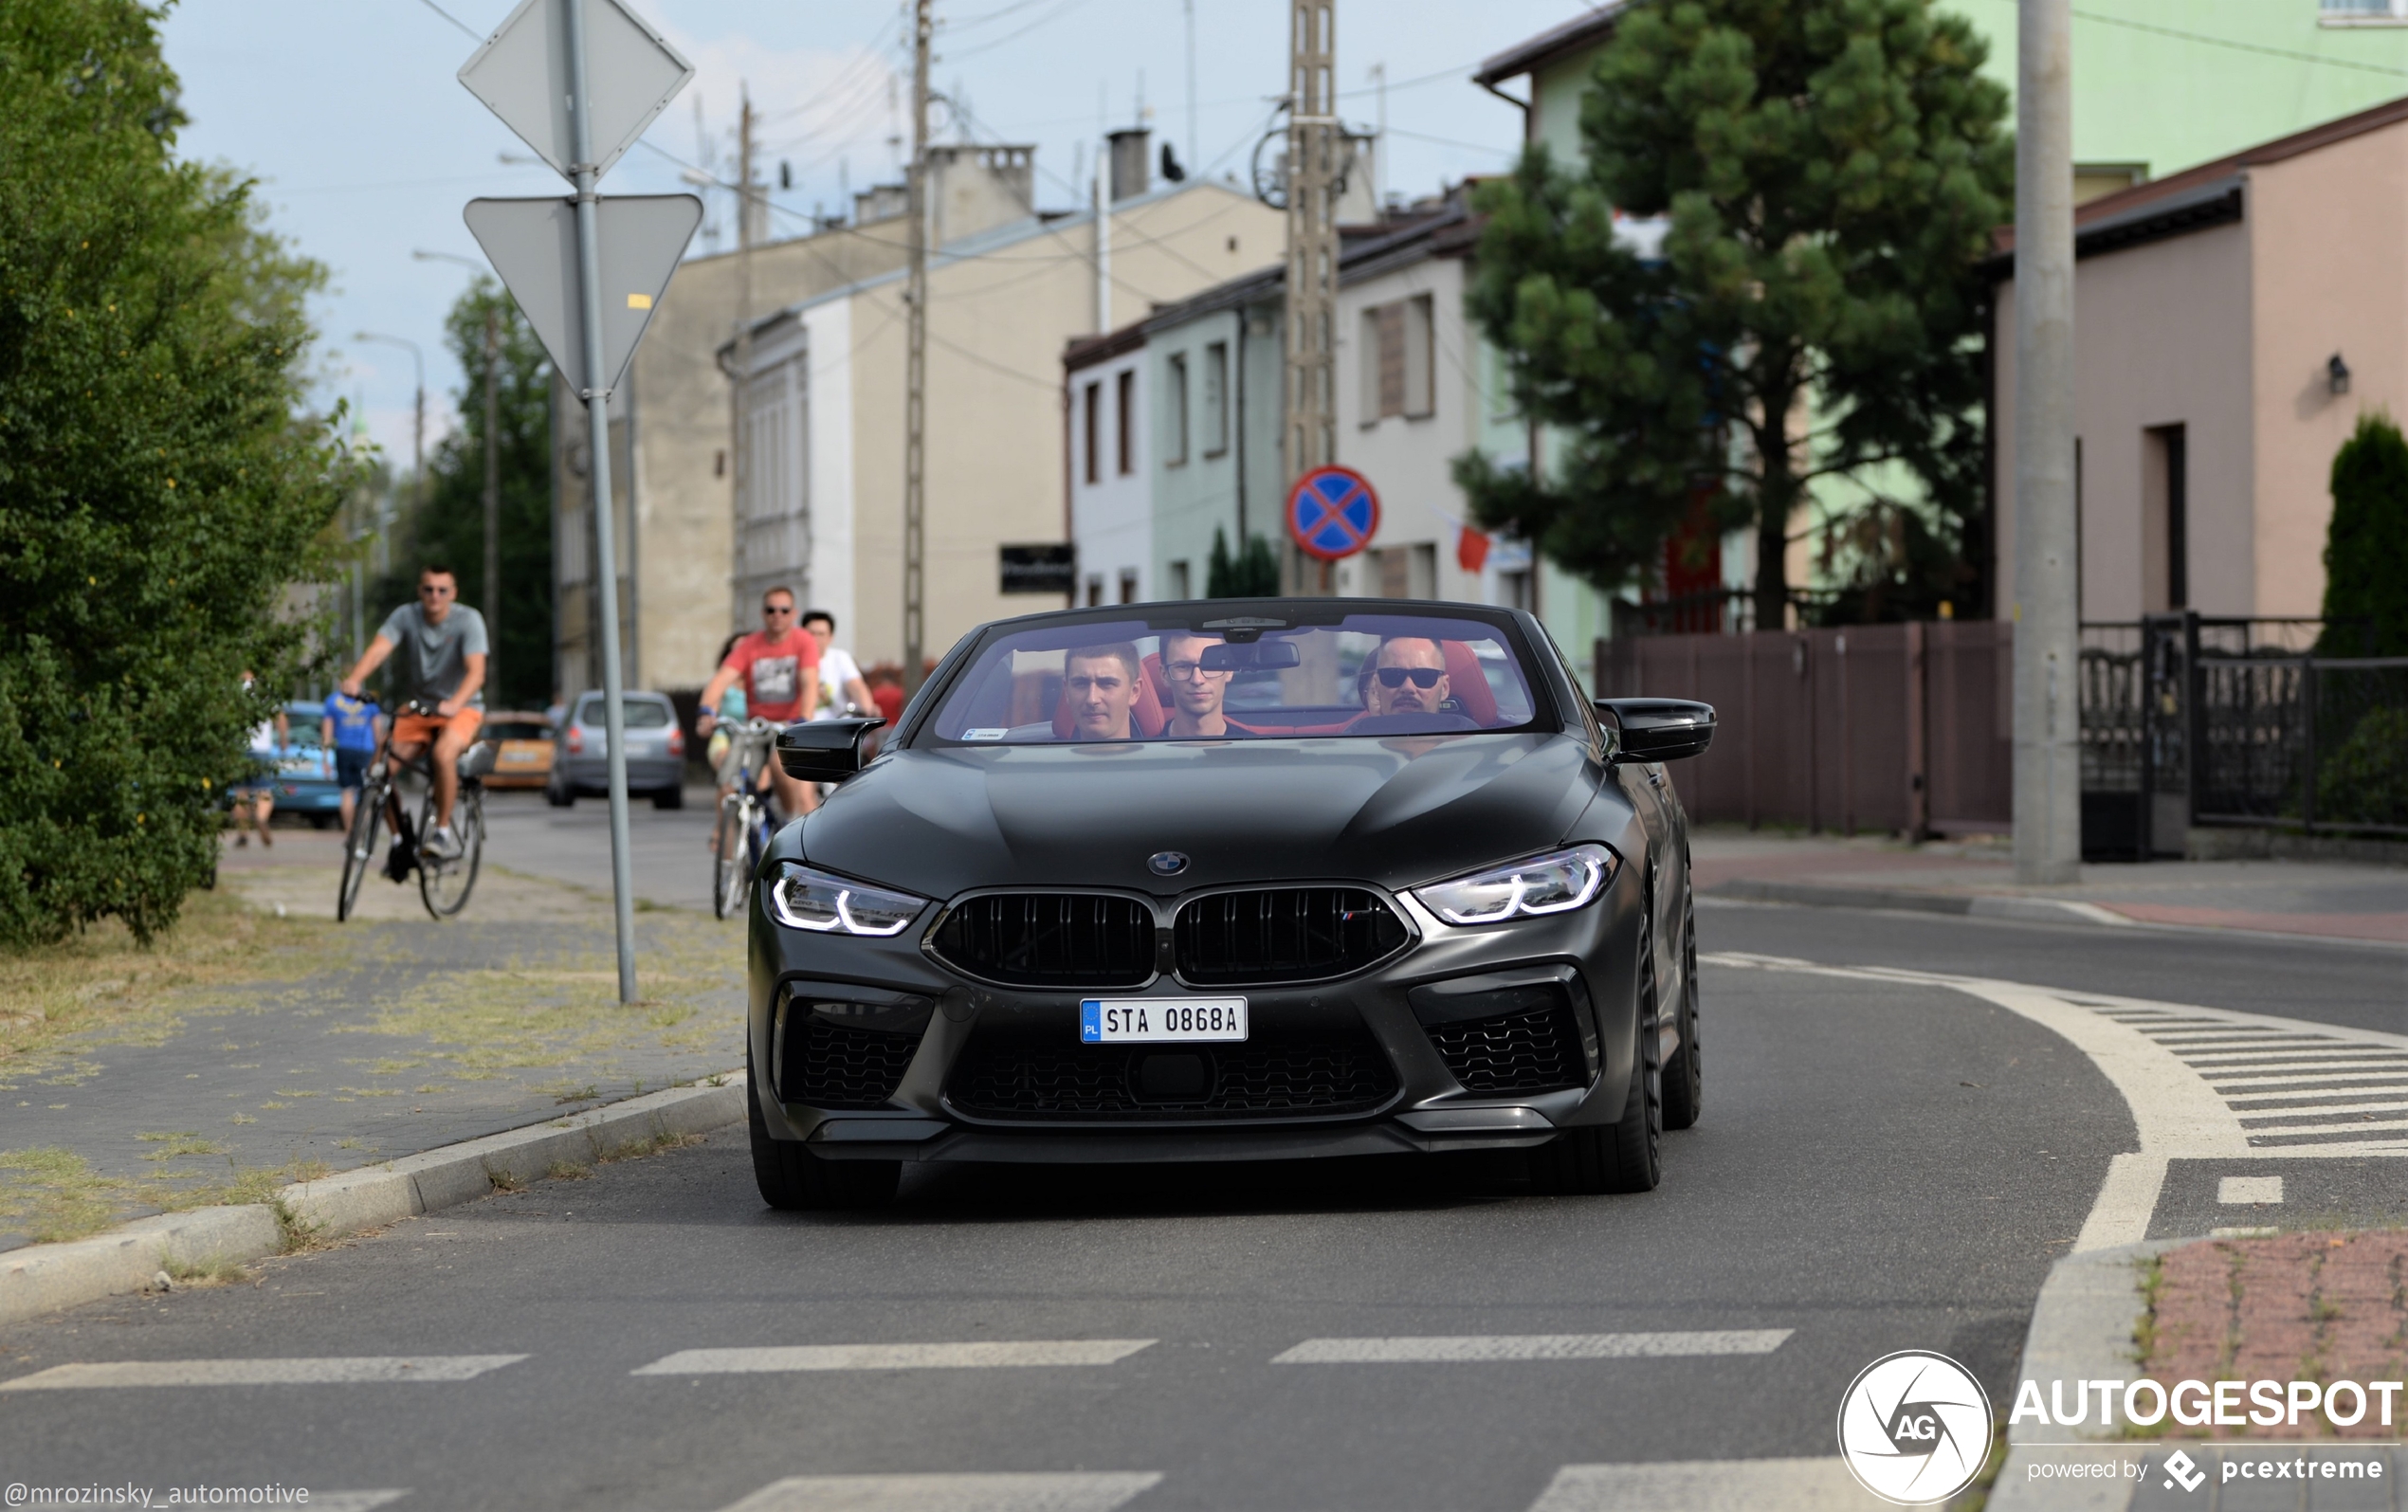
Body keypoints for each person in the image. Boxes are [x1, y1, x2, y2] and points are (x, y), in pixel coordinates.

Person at [339, 565, 488, 859]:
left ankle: (442, 834)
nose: (435, 596)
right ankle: (399, 841)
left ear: (453, 593)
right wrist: (356, 678)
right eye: (429, 589)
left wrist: (455, 702)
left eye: (442, 590)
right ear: (420, 591)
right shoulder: (406, 616)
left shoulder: (468, 620)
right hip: (421, 707)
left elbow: (476, 673)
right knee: (378, 769)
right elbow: (379, 649)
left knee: (443, 754)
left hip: (462, 708)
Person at [697, 586, 821, 819]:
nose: (777, 615)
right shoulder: (751, 644)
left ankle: (789, 818)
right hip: (756, 724)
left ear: (794, 614)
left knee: (779, 765)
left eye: (784, 610)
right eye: (771, 610)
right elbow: (721, 679)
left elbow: (809, 682)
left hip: (789, 723)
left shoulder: (803, 641)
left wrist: (804, 716)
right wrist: (706, 711)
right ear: (763, 614)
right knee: (728, 784)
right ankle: (727, 854)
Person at [230, 676, 285, 848]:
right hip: (261, 748)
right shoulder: (265, 688)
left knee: (241, 793)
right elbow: (280, 718)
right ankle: (261, 818)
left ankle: (243, 834)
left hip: (239, 748)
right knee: (264, 791)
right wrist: (283, 739)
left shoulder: (232, 687)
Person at [320, 686, 383, 834]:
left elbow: (327, 732)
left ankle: (349, 832)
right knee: (366, 793)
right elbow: (377, 730)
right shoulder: (369, 700)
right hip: (366, 751)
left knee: (347, 793)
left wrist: (325, 758)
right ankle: (361, 832)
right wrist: (379, 755)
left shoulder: (332, 701)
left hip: (343, 750)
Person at [801, 610, 877, 720]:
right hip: (803, 728)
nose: (815, 638)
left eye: (821, 634)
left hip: (837, 728)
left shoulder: (840, 658)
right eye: (811, 633)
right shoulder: (794, 660)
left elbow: (857, 686)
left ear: (831, 637)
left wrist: (868, 708)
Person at [1159, 632, 1236, 738]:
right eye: (1183, 667)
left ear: (1229, 670)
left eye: (1210, 665)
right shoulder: (1147, 754)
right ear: (1164, 675)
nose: (1197, 680)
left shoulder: (1256, 752)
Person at [1064, 644, 1142, 740]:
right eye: (1081, 684)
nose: (1092, 699)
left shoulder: (1163, 753)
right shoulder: (1042, 754)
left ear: (1134, 692)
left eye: (1107, 684)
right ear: (1066, 690)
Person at [1359, 636, 1451, 719]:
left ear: (1444, 688)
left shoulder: (1464, 735)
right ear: (1376, 688)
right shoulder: (1349, 736)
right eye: (1393, 676)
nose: (1408, 687)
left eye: (1423, 676)